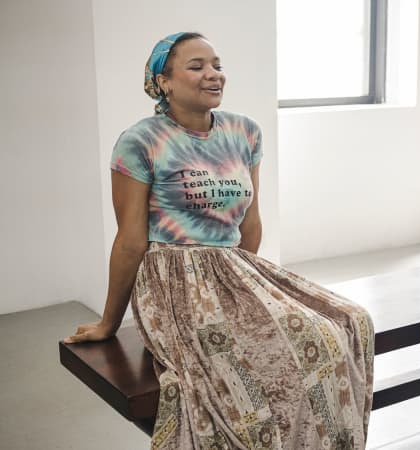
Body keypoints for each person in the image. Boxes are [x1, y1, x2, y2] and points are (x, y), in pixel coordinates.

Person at [65, 32, 374, 449]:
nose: (213, 75)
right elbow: (130, 240)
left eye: (217, 65)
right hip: (172, 278)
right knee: (294, 346)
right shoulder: (140, 141)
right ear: (164, 82)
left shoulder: (244, 132)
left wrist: (245, 292)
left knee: (349, 320)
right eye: (196, 67)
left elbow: (252, 221)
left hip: (234, 268)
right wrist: (109, 322)